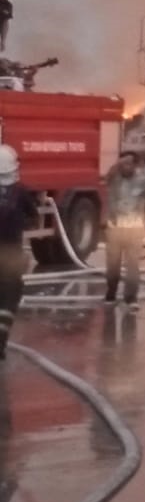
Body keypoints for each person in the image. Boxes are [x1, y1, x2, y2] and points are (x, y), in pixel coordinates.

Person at [102, 151, 145, 308]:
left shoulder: (143, 182)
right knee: (112, 265)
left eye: (129, 164)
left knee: (133, 265)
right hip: (115, 229)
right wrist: (120, 162)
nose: (125, 167)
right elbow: (108, 175)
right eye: (123, 164)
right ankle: (111, 293)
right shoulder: (114, 179)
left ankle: (131, 298)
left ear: (135, 165)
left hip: (134, 230)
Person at [0, 145, 36, 359]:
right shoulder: (20, 191)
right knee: (9, 297)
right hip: (11, 254)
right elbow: (33, 218)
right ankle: (1, 343)